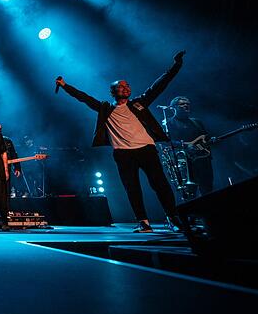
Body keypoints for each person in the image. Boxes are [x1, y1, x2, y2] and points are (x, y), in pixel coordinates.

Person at [56, 50, 186, 233]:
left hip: (147, 149)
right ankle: (143, 222)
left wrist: (176, 65)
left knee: (160, 184)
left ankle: (173, 218)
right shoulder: (105, 109)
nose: (125, 88)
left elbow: (160, 85)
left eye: (127, 86)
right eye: (120, 86)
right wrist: (64, 85)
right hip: (123, 153)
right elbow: (83, 98)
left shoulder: (139, 103)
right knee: (132, 188)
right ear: (113, 91)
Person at [164, 96, 214, 196]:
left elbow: (205, 137)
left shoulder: (197, 122)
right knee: (191, 193)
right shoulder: (169, 123)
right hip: (185, 163)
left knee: (208, 189)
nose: (186, 105)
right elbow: (167, 142)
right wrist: (185, 146)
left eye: (187, 103)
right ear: (174, 107)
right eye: (182, 104)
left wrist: (211, 140)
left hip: (203, 160)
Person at [0, 123, 23, 198]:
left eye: (0, 130)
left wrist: (17, 168)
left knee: (6, 188)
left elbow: (14, 154)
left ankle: (6, 207)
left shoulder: (7, 140)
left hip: (6, 168)